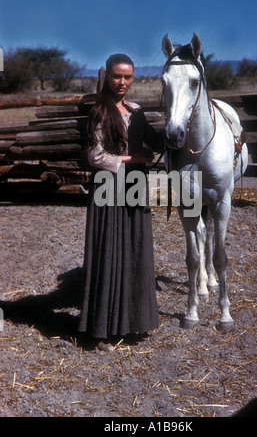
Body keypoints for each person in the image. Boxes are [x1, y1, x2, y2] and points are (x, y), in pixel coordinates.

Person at [78, 53, 163, 351]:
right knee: (109, 252)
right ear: (107, 76)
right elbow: (95, 156)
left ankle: (131, 323)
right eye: (117, 76)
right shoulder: (100, 111)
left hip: (135, 188)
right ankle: (100, 330)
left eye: (128, 77)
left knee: (135, 249)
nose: (122, 82)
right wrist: (131, 159)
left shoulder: (136, 110)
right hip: (108, 189)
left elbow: (155, 140)